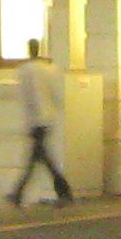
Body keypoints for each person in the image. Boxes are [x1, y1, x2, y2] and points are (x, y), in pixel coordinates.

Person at [6, 38, 73, 207]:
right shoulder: (49, 69)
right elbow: (56, 95)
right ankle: (20, 192)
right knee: (39, 156)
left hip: (36, 119)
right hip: (46, 118)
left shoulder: (26, 70)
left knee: (40, 157)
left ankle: (21, 192)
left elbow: (30, 97)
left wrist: (32, 120)